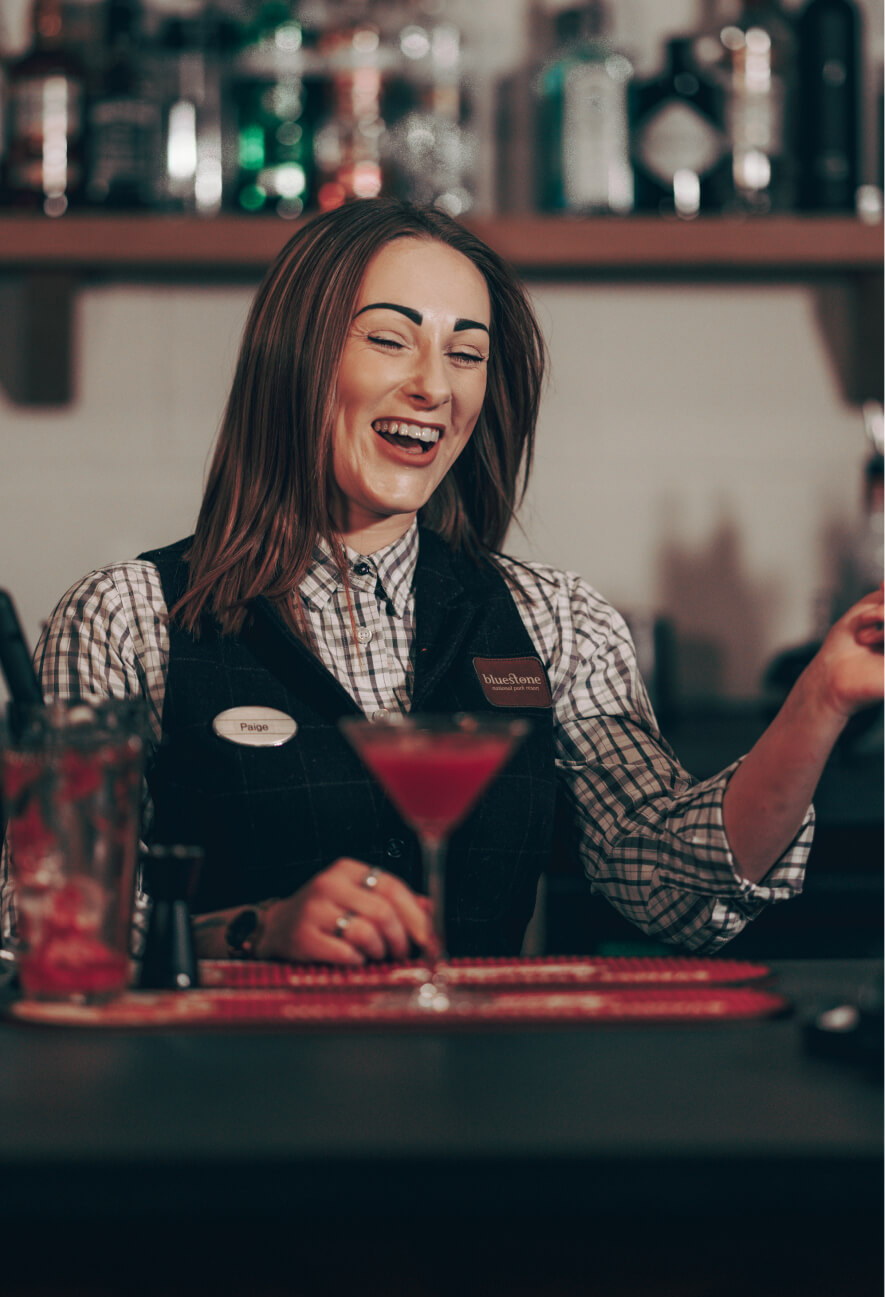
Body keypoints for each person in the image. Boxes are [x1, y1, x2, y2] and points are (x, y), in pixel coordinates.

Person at [4, 198, 882, 964]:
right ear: (294, 360)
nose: (434, 386)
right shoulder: (128, 619)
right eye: (389, 340)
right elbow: (46, 916)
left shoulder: (554, 621)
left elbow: (676, 889)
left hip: (480, 1113)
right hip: (220, 1114)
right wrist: (251, 930)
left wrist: (819, 704)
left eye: (467, 354)